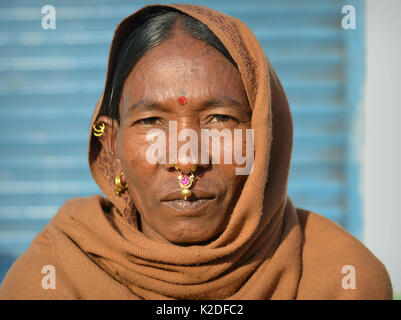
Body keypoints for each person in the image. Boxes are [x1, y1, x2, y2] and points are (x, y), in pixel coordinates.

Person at [0, 4, 392, 300]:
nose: (186, 162)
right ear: (112, 147)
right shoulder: (51, 279)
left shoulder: (341, 279)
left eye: (219, 120)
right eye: (152, 122)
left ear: (265, 137)